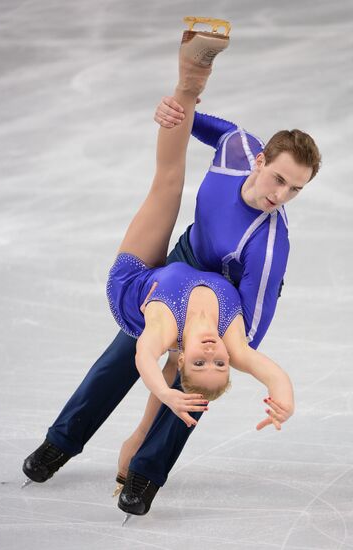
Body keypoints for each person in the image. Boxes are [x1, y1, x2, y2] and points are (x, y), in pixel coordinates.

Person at [22, 18, 321, 517]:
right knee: (120, 358)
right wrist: (175, 109)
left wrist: (203, 352)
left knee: (194, 382)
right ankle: (61, 441)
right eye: (279, 179)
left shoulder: (270, 246)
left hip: (221, 301)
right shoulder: (236, 148)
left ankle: (145, 476)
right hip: (177, 267)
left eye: (295, 190)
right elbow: (202, 126)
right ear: (260, 159)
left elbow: (252, 329)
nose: (281, 196)